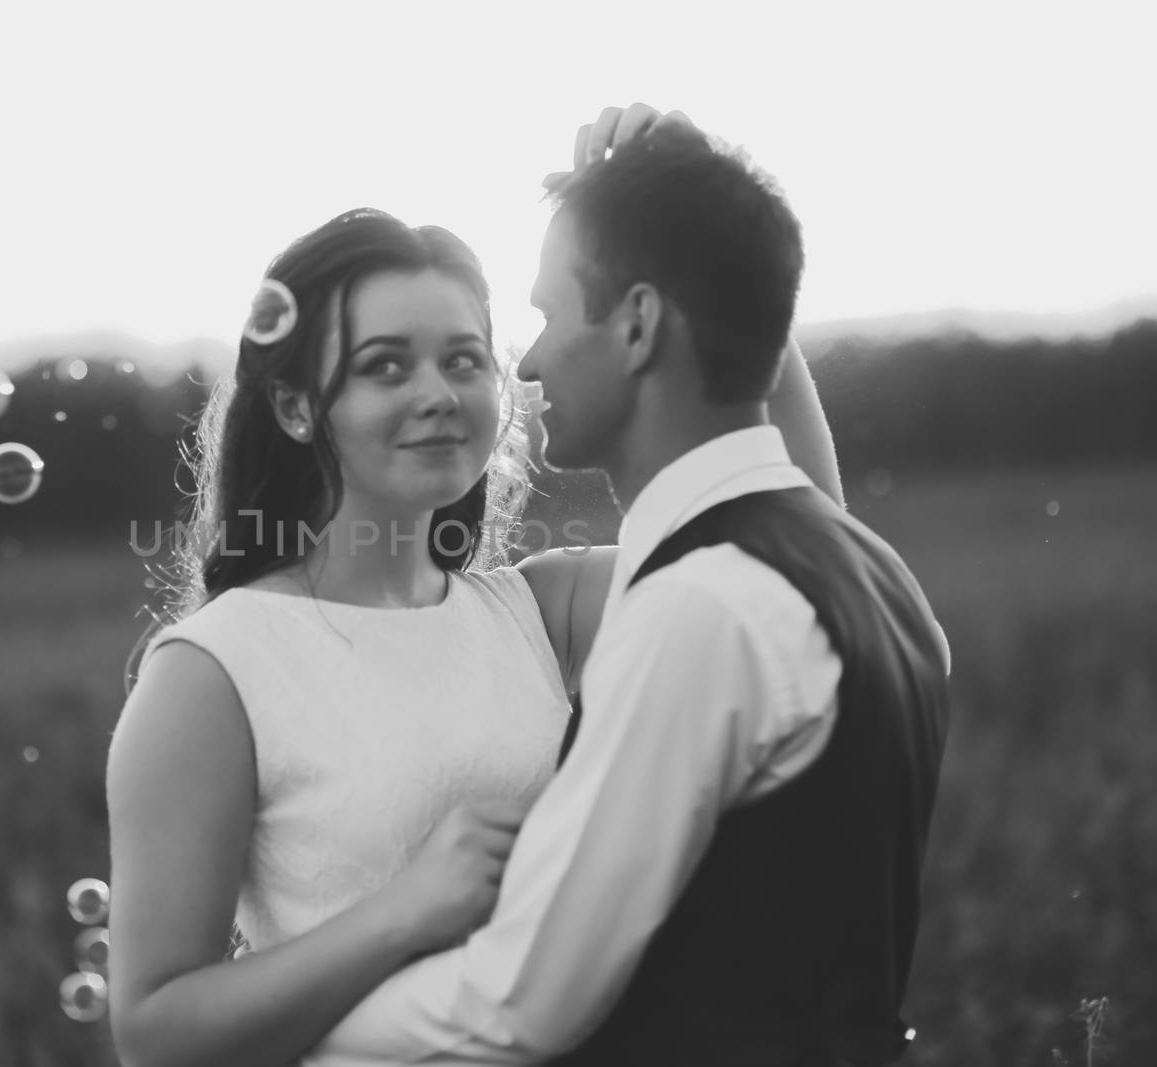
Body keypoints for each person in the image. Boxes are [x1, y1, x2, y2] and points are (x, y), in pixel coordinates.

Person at [105, 111, 845, 1067]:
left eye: (463, 359)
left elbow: (796, 563)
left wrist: (714, 277)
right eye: (385, 366)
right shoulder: (213, 672)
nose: (438, 393)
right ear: (295, 407)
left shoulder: (546, 612)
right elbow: (156, 1031)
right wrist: (403, 914)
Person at [303, 105, 952, 1067]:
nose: (526, 360)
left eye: (549, 316)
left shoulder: (702, 608)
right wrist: (712, 239)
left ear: (640, 324)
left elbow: (521, 1000)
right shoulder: (870, 574)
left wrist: (291, 1036)